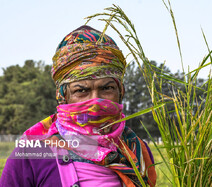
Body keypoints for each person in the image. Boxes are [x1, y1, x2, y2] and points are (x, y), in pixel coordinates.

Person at [0, 25, 156, 187]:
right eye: (81, 90)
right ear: (63, 96)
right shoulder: (31, 154)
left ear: (121, 91)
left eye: (106, 88)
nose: (95, 102)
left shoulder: (137, 151)